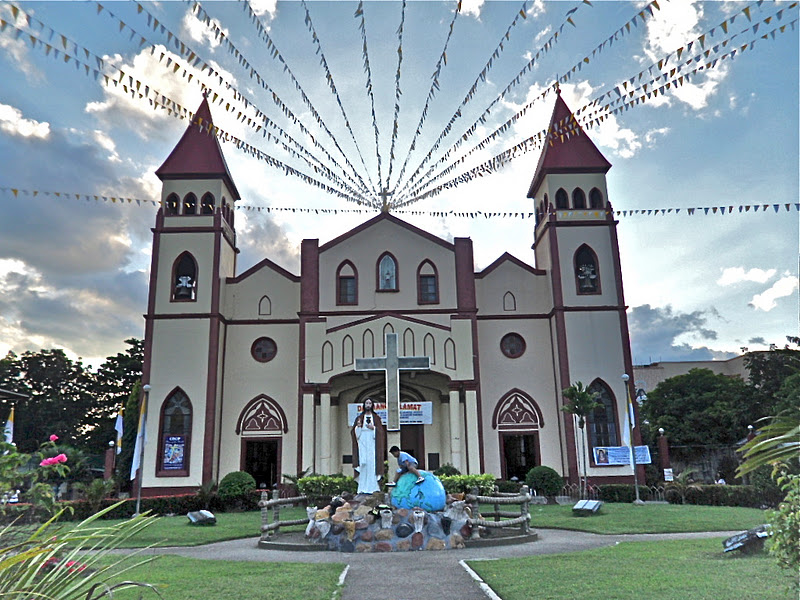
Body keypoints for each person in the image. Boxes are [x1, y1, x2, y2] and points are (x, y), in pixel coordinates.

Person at [351, 398, 385, 494]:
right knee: (363, 463)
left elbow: (381, 433)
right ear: (364, 405)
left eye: (370, 403)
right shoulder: (359, 417)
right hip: (362, 442)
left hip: (372, 444)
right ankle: (362, 488)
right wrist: (358, 427)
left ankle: (373, 488)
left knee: (372, 464)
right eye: (367, 403)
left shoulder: (376, 418)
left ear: (372, 405)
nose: (368, 405)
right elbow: (355, 434)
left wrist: (373, 428)